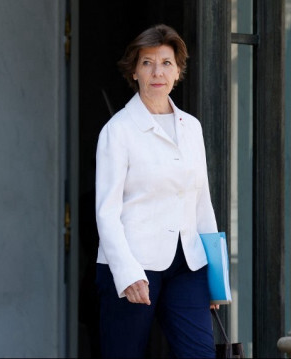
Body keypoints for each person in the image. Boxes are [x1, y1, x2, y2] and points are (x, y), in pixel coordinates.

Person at [94, 24, 218, 358]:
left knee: (200, 353)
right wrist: (128, 273)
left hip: (187, 265)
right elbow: (106, 212)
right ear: (134, 71)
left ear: (178, 70)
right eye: (147, 62)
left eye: (166, 62)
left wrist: (216, 275)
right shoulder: (117, 131)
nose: (157, 72)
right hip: (135, 264)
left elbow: (201, 202)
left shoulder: (192, 127)